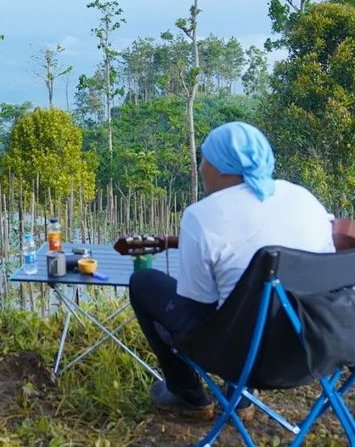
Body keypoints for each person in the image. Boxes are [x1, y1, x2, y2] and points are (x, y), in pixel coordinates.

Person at [129, 121, 335, 416]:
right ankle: (241, 398)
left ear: (223, 168)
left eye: (204, 159)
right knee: (245, 300)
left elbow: (199, 304)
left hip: (246, 358)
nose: (201, 168)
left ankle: (187, 394)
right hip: (312, 349)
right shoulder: (303, 198)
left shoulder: (201, 216)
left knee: (145, 282)